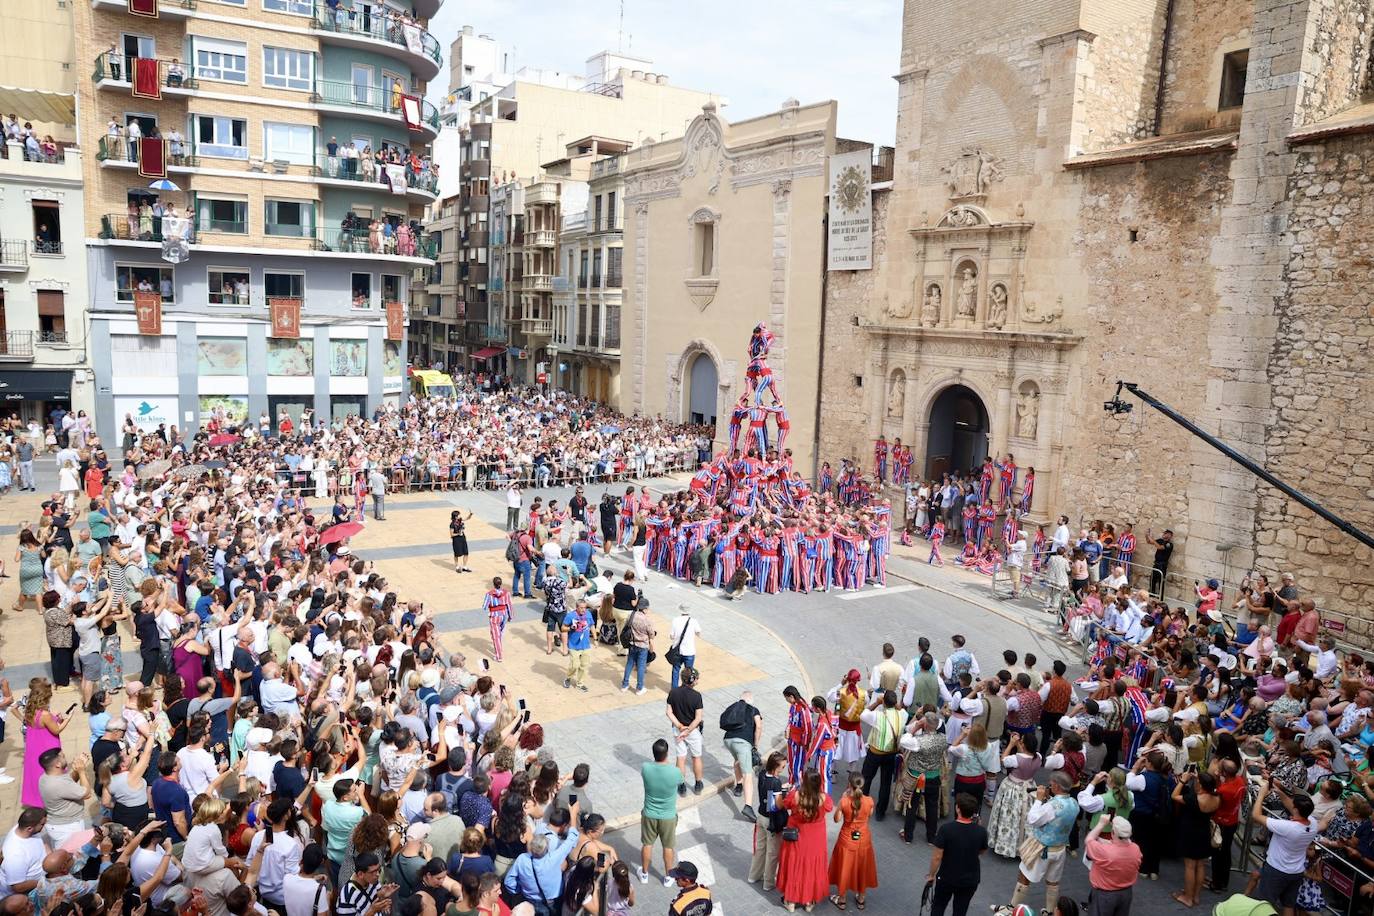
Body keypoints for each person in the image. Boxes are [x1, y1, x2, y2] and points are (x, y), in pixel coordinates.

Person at [1008, 772, 1080, 915]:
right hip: (1059, 849)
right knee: (1053, 882)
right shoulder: (1074, 803)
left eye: (1051, 783)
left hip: (1042, 848)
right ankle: (1049, 912)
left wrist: (1039, 800)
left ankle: (1012, 909)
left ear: (1057, 786)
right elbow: (1058, 815)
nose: (1050, 784)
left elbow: (1033, 820)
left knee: (1024, 876)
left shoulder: (1052, 806)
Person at [1250, 775, 1319, 916]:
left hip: (1276, 870)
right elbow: (1290, 805)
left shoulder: (1286, 826)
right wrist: (1278, 791)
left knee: (1265, 904)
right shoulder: (1312, 823)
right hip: (1296, 872)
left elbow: (1256, 816)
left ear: (1296, 810)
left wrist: (1261, 795)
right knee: (1288, 905)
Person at [776, 769, 832, 912]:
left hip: (797, 839)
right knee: (811, 869)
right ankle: (808, 902)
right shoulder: (823, 798)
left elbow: (783, 804)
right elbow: (830, 808)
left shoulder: (795, 796)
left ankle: (790, 902)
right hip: (816, 841)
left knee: (795, 867)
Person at [925, 793, 988, 916]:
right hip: (970, 880)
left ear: (958, 808)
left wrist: (931, 875)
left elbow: (937, 857)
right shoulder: (981, 831)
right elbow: (982, 851)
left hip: (947, 877)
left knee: (938, 906)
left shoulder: (946, 829)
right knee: (960, 911)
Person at [827, 773, 877, 910]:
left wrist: (842, 800)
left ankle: (841, 899)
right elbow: (869, 815)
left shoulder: (844, 801)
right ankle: (861, 898)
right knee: (862, 867)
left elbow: (836, 819)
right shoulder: (869, 800)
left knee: (844, 868)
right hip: (864, 838)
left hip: (847, 839)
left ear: (849, 785)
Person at [639, 738, 680, 887]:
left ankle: (644, 874)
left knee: (647, 844)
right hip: (668, 817)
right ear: (667, 753)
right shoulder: (674, 772)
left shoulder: (646, 768)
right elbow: (681, 778)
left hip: (649, 814)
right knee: (668, 847)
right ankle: (668, 877)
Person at [1083, 815, 1141, 916]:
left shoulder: (1105, 852)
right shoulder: (1135, 849)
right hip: (1126, 893)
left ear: (1113, 833)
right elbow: (1126, 842)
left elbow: (1089, 840)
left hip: (1104, 895)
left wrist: (1101, 824)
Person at [720, 690, 763, 820]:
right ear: (751, 700)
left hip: (728, 740)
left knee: (737, 760)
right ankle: (748, 806)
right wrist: (755, 745)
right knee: (748, 774)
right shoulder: (753, 709)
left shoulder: (734, 707)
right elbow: (759, 726)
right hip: (742, 742)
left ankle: (738, 786)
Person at [667, 667, 704, 797]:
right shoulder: (696, 696)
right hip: (692, 731)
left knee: (681, 758)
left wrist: (679, 726)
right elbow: (698, 717)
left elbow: (669, 712)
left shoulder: (673, 692)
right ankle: (698, 784)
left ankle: (681, 786)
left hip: (678, 730)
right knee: (696, 757)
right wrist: (688, 730)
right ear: (693, 681)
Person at [561, 598, 594, 691]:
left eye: (585, 607)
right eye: (581, 608)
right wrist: (571, 628)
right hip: (574, 645)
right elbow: (563, 628)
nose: (584, 610)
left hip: (585, 645)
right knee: (574, 665)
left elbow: (591, 625)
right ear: (576, 608)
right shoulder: (570, 616)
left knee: (584, 666)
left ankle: (580, 683)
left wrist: (595, 638)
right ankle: (568, 677)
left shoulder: (588, 614)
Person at [667, 605, 701, 690]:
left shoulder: (675, 620)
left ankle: (674, 689)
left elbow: (671, 636)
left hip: (677, 651)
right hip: (689, 651)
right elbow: (698, 633)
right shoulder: (693, 621)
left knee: (675, 670)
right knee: (688, 672)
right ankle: (687, 689)